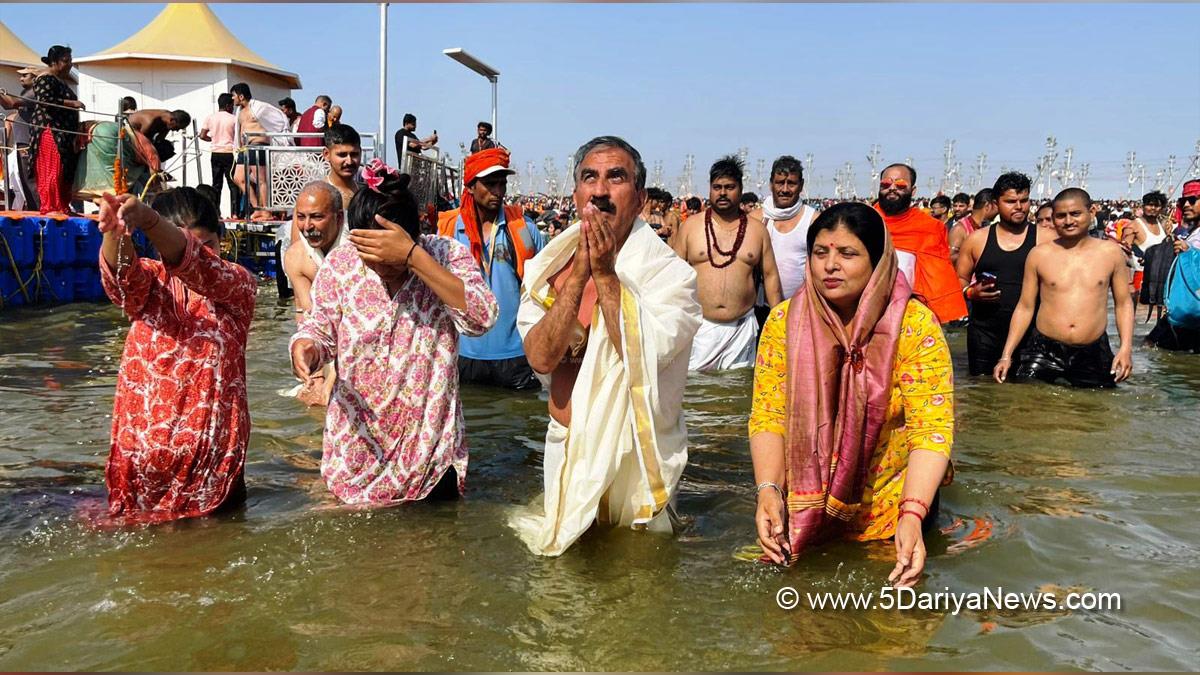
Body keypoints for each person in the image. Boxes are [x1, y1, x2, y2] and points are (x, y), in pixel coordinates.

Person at [512, 135, 701, 556]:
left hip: (632, 461)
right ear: (577, 193)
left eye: (616, 177)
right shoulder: (550, 270)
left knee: (637, 580)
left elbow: (648, 356)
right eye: (589, 178)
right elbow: (540, 357)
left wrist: (607, 278)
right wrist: (579, 276)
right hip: (565, 448)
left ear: (640, 199)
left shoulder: (670, 276)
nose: (600, 190)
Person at [750, 202, 952, 585]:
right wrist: (768, 492)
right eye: (820, 253)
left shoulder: (913, 324)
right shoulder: (783, 323)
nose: (830, 265)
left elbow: (932, 428)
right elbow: (768, 415)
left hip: (894, 506)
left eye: (848, 253)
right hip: (806, 502)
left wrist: (912, 514)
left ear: (877, 262)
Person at [290, 161, 497, 504]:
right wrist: (307, 347)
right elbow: (319, 327)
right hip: (357, 448)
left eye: (391, 259)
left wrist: (415, 259)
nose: (382, 268)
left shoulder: (444, 256)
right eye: (371, 256)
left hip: (429, 451)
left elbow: (482, 318)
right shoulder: (340, 266)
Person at [96, 187, 257, 522]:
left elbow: (198, 265)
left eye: (208, 244)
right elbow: (121, 280)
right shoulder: (150, 285)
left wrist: (151, 220)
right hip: (141, 465)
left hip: (213, 467)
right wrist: (117, 231)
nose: (203, 252)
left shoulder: (236, 287)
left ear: (220, 240)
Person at [994, 188, 1133, 388]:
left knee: (1097, 411)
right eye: (1060, 216)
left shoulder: (1110, 253)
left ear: (1091, 211)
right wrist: (1006, 355)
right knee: (1026, 406)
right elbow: (1025, 306)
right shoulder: (1039, 255)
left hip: (1092, 349)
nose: (1068, 221)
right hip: (1043, 349)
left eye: (1075, 214)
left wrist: (1125, 348)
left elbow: (1123, 303)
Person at [436, 147, 546, 390]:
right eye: (489, 184)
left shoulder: (524, 229)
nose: (498, 192)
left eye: (502, 184)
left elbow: (546, 288)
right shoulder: (448, 231)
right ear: (471, 186)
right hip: (462, 354)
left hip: (516, 354)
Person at [675, 155, 783, 371]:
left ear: (741, 189)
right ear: (710, 189)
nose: (722, 193)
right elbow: (674, 275)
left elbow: (770, 277)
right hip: (699, 327)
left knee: (737, 393)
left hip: (741, 330)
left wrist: (779, 324)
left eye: (729, 187)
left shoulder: (757, 230)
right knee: (697, 397)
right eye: (717, 187)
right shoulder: (690, 227)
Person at [956, 173, 1053, 376]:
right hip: (984, 332)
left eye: (1024, 200)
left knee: (1028, 397)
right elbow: (959, 278)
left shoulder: (1046, 239)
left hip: (1032, 333)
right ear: (995, 204)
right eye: (1010, 201)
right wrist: (969, 292)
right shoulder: (976, 240)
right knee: (982, 393)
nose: (1019, 207)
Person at [874, 163, 967, 324]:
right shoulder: (864, 220)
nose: (892, 188)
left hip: (913, 313)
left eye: (901, 184)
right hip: (867, 309)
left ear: (913, 191)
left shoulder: (931, 228)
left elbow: (938, 277)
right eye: (886, 184)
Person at [282, 181, 347, 406]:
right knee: (313, 401)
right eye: (301, 217)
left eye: (317, 217)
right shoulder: (296, 256)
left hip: (360, 344)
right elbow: (308, 315)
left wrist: (332, 380)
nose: (307, 226)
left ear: (339, 218)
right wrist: (315, 374)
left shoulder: (359, 251)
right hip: (327, 338)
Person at [750, 155, 817, 300]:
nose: (785, 189)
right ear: (770, 184)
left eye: (791, 183)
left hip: (801, 307)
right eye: (780, 183)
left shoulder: (813, 220)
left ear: (801, 185)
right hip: (761, 308)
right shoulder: (755, 219)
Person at [1145, 180, 1200, 352]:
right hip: (1183, 310)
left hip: (1193, 312)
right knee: (1150, 345)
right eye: (1183, 201)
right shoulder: (1191, 232)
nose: (1186, 205)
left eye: (1193, 200)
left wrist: (1190, 252)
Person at [29, 45, 84, 214]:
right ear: (54, 62)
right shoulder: (45, 78)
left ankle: (62, 205)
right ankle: (51, 206)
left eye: (71, 61)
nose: (70, 65)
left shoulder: (61, 81)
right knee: (53, 168)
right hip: (50, 131)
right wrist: (71, 103)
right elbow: (45, 101)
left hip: (64, 132)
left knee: (65, 170)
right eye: (66, 61)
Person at [230, 83, 290, 221]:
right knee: (238, 178)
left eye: (233, 96)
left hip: (258, 144)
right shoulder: (239, 111)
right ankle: (257, 207)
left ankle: (266, 211)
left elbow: (279, 117)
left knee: (262, 180)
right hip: (244, 148)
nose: (232, 99)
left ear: (241, 96)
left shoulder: (259, 108)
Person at [1, 66, 40, 210]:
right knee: (24, 181)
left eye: (25, 75)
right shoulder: (26, 93)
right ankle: (33, 209)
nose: (21, 78)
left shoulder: (33, 93)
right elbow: (7, 105)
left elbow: (10, 103)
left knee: (30, 182)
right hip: (22, 143)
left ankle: (37, 211)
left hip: (28, 143)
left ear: (34, 78)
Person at [1128, 191, 1171, 314]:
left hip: (1160, 277)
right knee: (1136, 314)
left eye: (1156, 206)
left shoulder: (1162, 225)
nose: (1152, 208)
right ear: (1143, 206)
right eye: (1149, 205)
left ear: (1161, 208)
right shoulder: (1133, 226)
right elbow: (1123, 252)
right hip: (1140, 276)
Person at [199, 94, 241, 217]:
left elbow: (202, 135)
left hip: (215, 153)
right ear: (228, 105)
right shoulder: (234, 119)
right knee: (233, 184)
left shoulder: (210, 118)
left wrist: (211, 140)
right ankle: (235, 213)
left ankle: (216, 213)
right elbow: (239, 137)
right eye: (232, 106)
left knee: (217, 185)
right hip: (229, 154)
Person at [947, 188, 995, 266]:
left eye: (961, 206)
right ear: (988, 206)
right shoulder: (960, 229)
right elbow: (950, 258)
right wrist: (973, 251)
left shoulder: (986, 226)